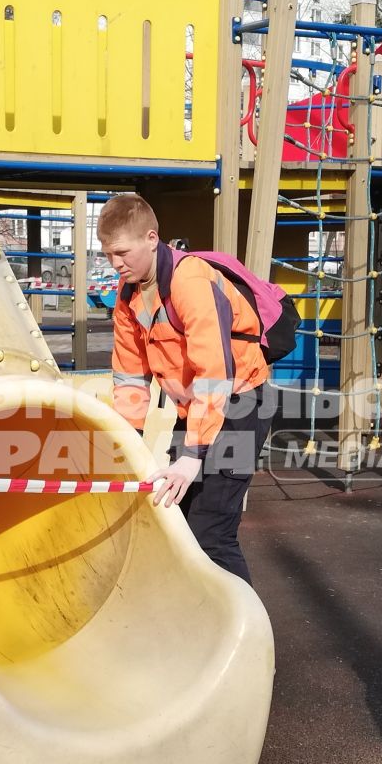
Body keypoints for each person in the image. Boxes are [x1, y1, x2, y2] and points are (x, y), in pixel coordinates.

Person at [100, 193, 272, 583]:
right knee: (177, 520)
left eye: (122, 252)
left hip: (240, 404)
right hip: (196, 409)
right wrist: (129, 446)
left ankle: (245, 635)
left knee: (211, 533)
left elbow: (215, 371)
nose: (116, 264)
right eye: (109, 254)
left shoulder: (189, 280)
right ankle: (200, 622)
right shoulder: (126, 298)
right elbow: (130, 379)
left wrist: (193, 455)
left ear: (150, 238)